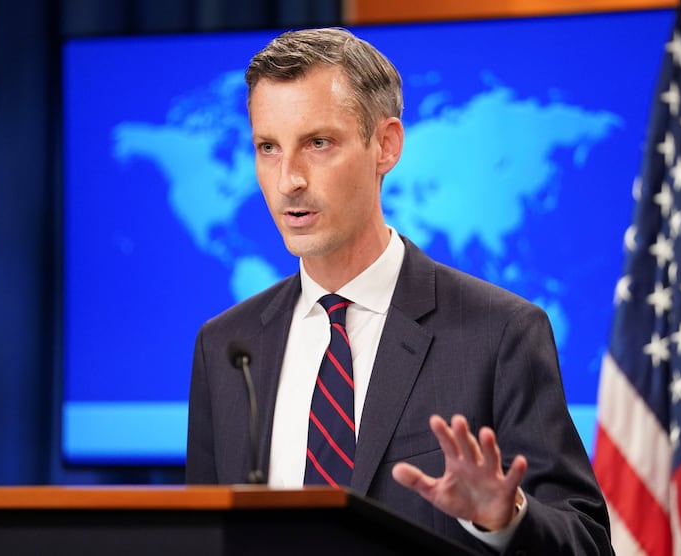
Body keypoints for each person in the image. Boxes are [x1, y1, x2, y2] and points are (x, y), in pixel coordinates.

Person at [186, 27, 613, 555]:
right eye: (268, 148)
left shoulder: (499, 333)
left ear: (385, 146)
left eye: (318, 143)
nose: (287, 180)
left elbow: (588, 541)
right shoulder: (226, 347)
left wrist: (506, 520)